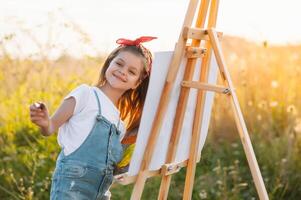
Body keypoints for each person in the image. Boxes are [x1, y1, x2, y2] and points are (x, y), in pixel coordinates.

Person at [29, 36, 156, 200]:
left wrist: (133, 165)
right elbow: (51, 127)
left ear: (136, 83)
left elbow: (112, 167)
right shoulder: (86, 94)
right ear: (109, 63)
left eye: (132, 72)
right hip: (71, 188)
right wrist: (45, 122)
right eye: (119, 63)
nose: (123, 71)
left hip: (101, 193)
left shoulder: (120, 124)